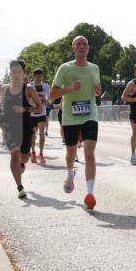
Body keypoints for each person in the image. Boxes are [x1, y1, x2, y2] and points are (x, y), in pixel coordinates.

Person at [49, 36, 102, 209]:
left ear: (88, 48)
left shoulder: (95, 68)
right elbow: (52, 95)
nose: (81, 46)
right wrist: (70, 89)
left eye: (85, 44)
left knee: (89, 152)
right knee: (71, 152)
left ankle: (90, 193)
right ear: (73, 48)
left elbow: (97, 91)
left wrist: (98, 92)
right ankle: (70, 173)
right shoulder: (65, 68)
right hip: (70, 116)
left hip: (90, 114)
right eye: (78, 44)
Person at [2, 60, 42, 198]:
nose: (17, 74)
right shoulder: (4, 89)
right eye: (14, 72)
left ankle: (22, 164)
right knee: (14, 154)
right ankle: (19, 187)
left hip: (25, 126)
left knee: (24, 158)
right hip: (10, 128)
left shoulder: (29, 89)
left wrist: (24, 108)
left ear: (23, 73)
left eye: (19, 71)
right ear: (10, 73)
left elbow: (39, 108)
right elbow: (3, 108)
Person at [29, 68, 51, 163]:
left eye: (41, 76)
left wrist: (45, 100)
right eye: (37, 76)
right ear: (34, 76)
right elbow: (27, 98)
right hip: (32, 113)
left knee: (42, 133)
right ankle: (33, 152)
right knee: (33, 135)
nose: (39, 78)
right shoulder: (30, 86)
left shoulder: (46, 86)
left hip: (42, 113)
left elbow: (48, 100)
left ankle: (41, 154)